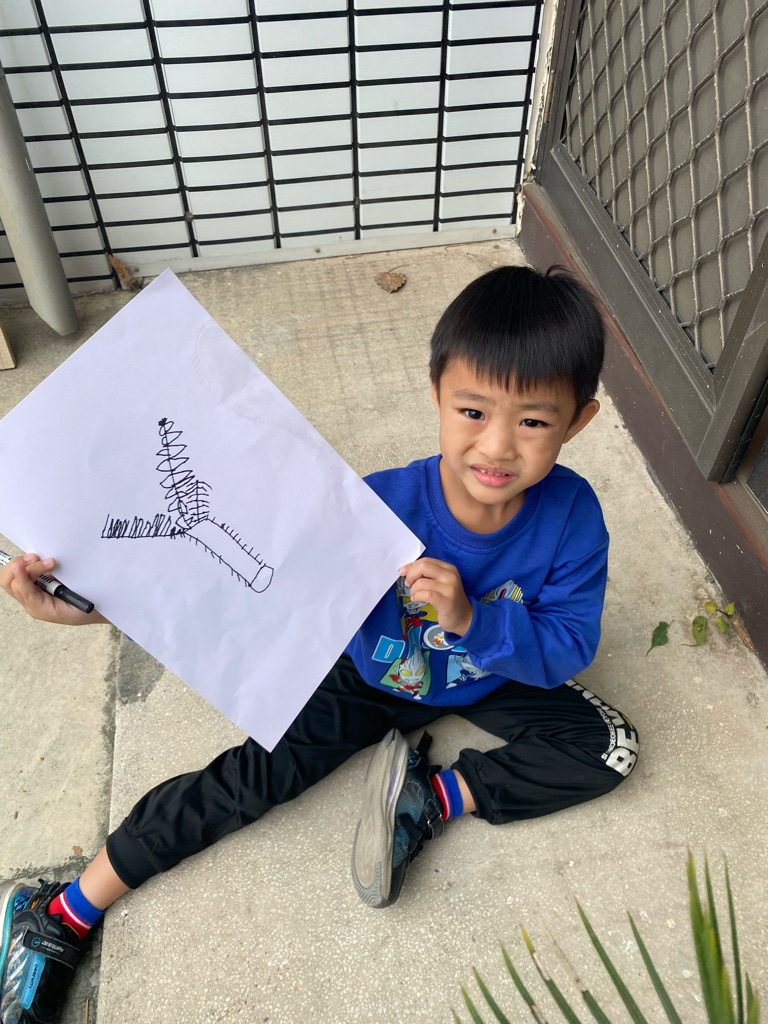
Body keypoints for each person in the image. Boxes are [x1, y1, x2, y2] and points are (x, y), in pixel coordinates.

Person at [0, 265, 639, 1024]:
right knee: (250, 780)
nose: (497, 444)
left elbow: (568, 643)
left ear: (579, 421)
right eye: (472, 410)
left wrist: (475, 620)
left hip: (489, 675)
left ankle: (431, 798)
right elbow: (230, 582)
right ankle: (62, 910)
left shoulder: (572, 517)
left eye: (534, 421)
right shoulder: (371, 506)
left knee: (609, 747)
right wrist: (98, 609)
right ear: (437, 392)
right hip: (363, 678)